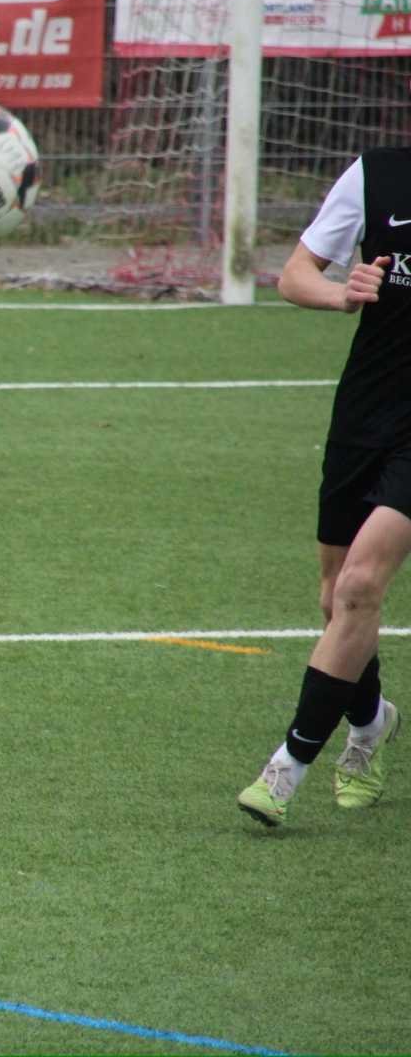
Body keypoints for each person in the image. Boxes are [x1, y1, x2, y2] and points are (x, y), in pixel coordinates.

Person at [237, 152, 405, 826]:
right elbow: (294, 274)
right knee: (335, 597)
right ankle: (370, 723)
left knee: (361, 585)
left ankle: (286, 768)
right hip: (365, 413)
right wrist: (342, 293)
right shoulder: (377, 176)